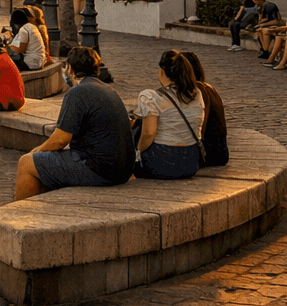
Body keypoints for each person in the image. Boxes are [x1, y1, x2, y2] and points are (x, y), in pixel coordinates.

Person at [13, 46, 133, 199]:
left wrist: (36, 151)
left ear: (70, 69)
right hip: (122, 169)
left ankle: (18, 215)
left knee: (26, 163)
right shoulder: (108, 89)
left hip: (100, 169)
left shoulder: (77, 93)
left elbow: (60, 139)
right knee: (42, 166)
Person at [133, 50, 205, 179]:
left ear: (161, 71)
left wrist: (138, 152)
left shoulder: (150, 96)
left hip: (161, 162)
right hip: (191, 162)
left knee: (137, 127)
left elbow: (149, 133)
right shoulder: (196, 94)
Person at [180, 51, 229, 166]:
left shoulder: (198, 92)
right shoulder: (208, 87)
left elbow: (200, 127)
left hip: (211, 153)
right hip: (219, 150)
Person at [6, 8, 45, 72]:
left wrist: (10, 47)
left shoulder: (23, 30)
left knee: (6, 62)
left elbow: (22, 49)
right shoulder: (32, 27)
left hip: (30, 64)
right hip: (39, 62)